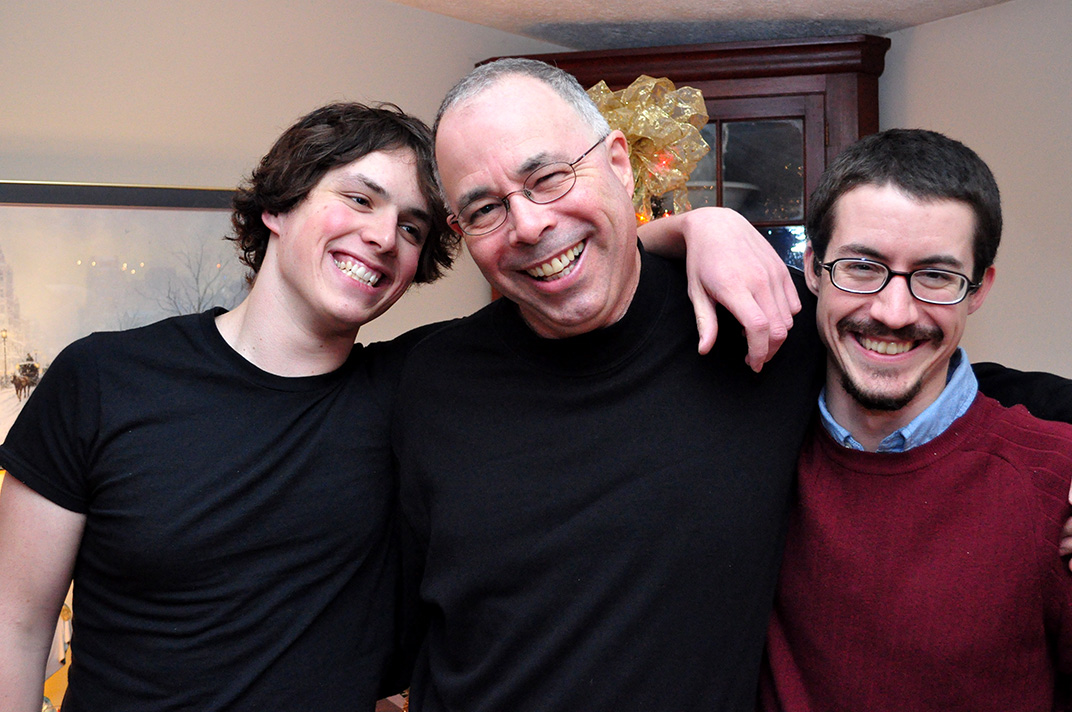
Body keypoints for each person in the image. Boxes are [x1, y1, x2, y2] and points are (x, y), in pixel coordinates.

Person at [0, 98, 807, 709]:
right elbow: (16, 623)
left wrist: (701, 227)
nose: (385, 238)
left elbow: (567, 268)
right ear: (276, 206)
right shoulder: (104, 379)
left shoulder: (423, 382)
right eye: (359, 200)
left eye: (414, 227)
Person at [392, 56, 830, 712]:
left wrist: (705, 222)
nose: (528, 225)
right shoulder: (426, 381)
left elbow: (927, 381)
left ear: (620, 164)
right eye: (484, 209)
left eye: (548, 177)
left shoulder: (763, 325)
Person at [759, 129, 1072, 711]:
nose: (894, 312)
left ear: (978, 290)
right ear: (813, 269)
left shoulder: (1056, 484)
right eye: (861, 266)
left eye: (935, 276)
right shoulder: (749, 445)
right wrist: (689, 229)